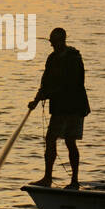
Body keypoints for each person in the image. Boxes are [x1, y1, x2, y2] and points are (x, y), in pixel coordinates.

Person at [28, 27, 90, 189]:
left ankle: (74, 181)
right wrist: (36, 100)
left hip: (74, 106)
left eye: (55, 42)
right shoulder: (52, 58)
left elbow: (71, 84)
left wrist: (48, 94)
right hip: (59, 107)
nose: (53, 46)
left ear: (63, 41)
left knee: (70, 142)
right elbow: (45, 82)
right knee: (50, 140)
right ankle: (47, 178)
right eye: (51, 43)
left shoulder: (74, 59)